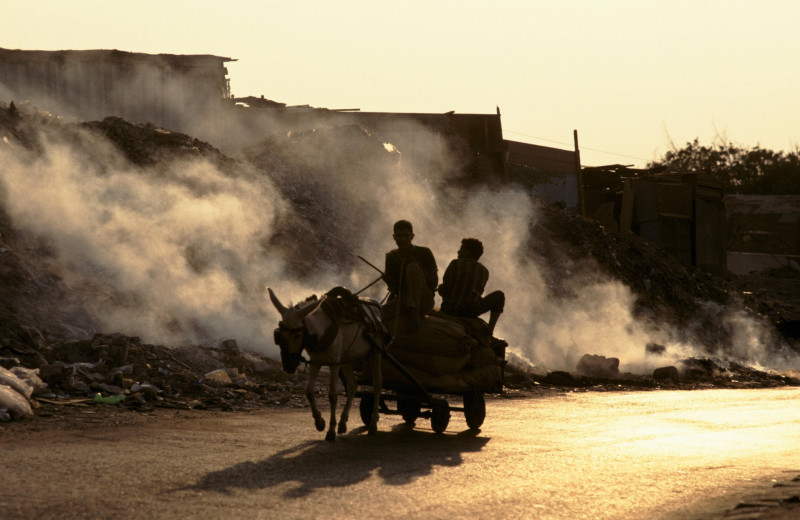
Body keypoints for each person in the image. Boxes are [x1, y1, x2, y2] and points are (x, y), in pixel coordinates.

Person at [437, 237, 505, 334]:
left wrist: (441, 289)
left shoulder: (455, 264)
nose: (458, 252)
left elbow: (446, 288)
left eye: (461, 249)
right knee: (499, 295)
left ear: (468, 251)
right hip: (470, 312)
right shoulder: (484, 271)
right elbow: (479, 292)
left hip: (450, 309)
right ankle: (490, 330)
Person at [383, 220, 438, 333]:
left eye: (405, 236)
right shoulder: (391, 257)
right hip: (402, 300)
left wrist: (417, 264)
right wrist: (388, 280)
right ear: (394, 237)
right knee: (376, 315)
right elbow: (394, 288)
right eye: (399, 236)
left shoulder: (425, 252)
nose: (402, 239)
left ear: (412, 236)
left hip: (423, 300)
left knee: (413, 267)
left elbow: (434, 282)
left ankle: (414, 313)